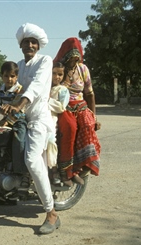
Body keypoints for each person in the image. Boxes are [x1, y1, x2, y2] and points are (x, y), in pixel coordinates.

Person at [1, 23, 60, 235]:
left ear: (38, 45)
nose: (30, 45)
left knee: (32, 161)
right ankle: (4, 193)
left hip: (38, 119)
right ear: (21, 45)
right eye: (27, 42)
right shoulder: (19, 65)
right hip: (21, 118)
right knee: (1, 146)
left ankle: (51, 213)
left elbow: (35, 87)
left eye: (34, 42)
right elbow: (11, 88)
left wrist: (18, 104)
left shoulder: (45, 61)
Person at [53, 37, 101, 186]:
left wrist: (94, 116)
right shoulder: (58, 68)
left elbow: (90, 93)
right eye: (71, 59)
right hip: (63, 105)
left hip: (80, 105)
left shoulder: (83, 69)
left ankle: (80, 166)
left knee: (88, 125)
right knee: (70, 128)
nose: (73, 62)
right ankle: (66, 170)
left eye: (76, 59)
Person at [47, 62, 69, 185]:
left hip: (51, 119)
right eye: (54, 73)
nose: (57, 77)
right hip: (38, 117)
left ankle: (54, 169)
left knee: (50, 141)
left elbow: (61, 107)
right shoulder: (45, 87)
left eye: (60, 74)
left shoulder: (63, 90)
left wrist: (47, 100)